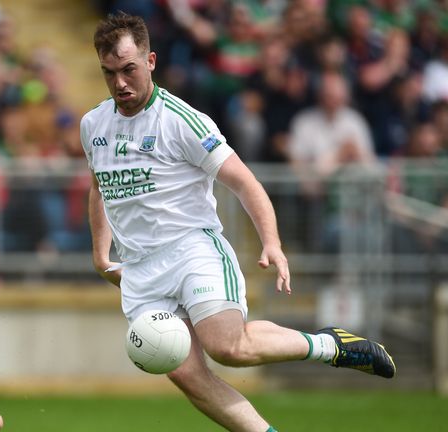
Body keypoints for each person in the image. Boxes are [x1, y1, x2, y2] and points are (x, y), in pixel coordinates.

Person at [81, 13, 396, 432]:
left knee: (228, 347)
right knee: (183, 371)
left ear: (151, 61)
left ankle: (330, 344)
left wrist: (272, 242)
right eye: (109, 73)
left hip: (192, 249)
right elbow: (99, 185)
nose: (120, 83)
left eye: (128, 69)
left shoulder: (183, 121)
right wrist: (101, 254)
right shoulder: (93, 125)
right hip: (140, 268)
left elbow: (246, 183)